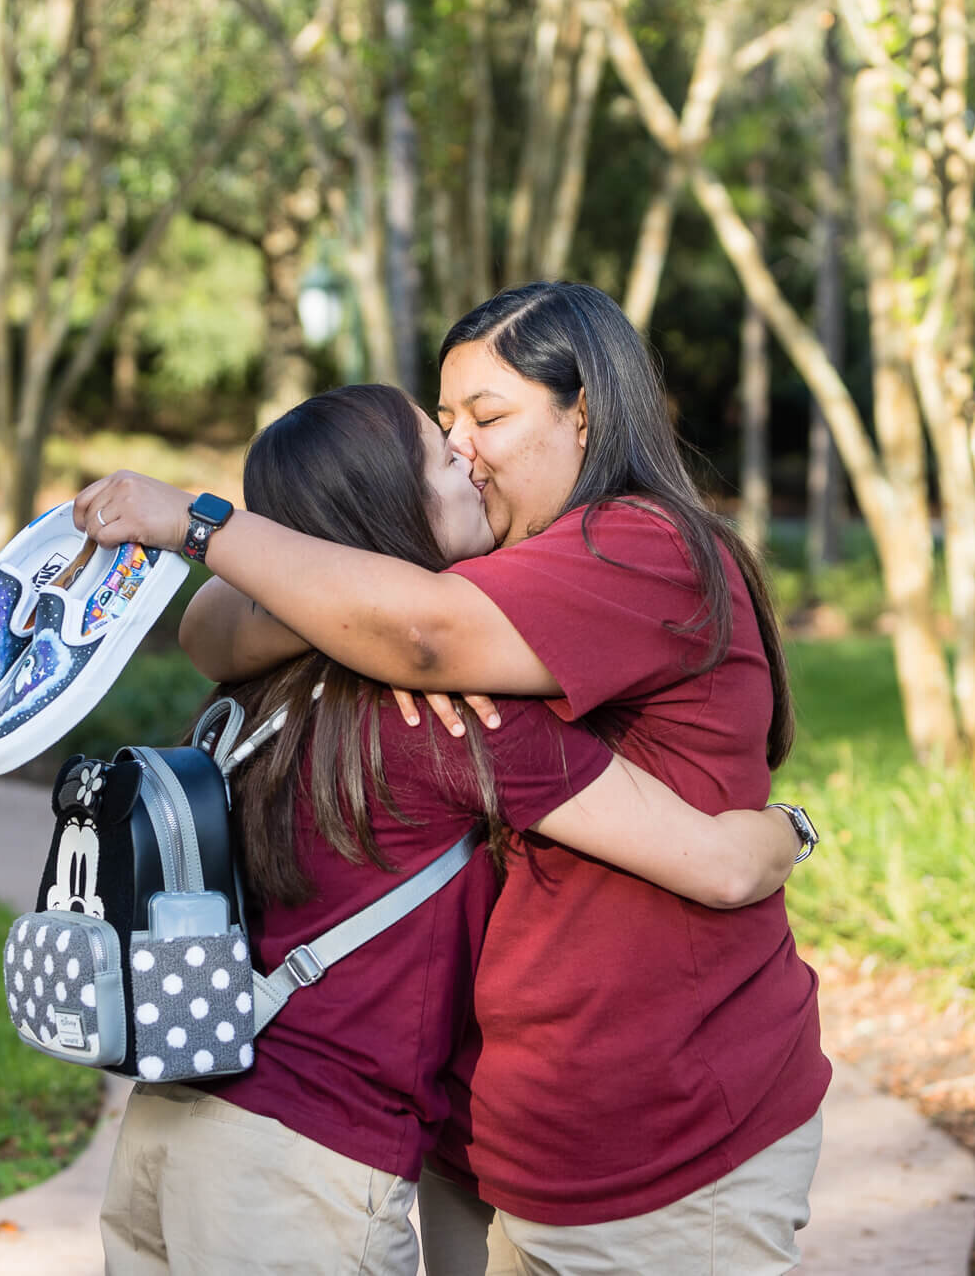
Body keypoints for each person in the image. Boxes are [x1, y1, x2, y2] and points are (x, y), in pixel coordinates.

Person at [77, 282, 827, 1275]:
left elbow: (419, 632)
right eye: (444, 430)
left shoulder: (629, 546)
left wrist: (200, 523)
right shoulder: (455, 618)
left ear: (584, 413)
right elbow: (217, 629)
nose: (464, 449)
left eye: (487, 417)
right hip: (494, 1133)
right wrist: (363, 618)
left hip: (660, 1136)